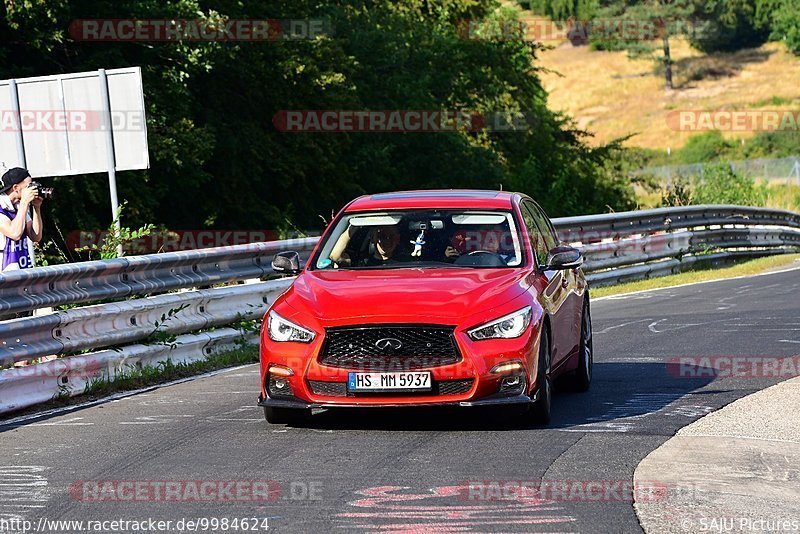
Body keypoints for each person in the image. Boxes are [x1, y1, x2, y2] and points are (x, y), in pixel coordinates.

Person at [0, 167, 43, 271]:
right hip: (3, 271)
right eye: (29, 186)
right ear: (16, 188)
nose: (32, 190)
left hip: (21, 269)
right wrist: (24, 202)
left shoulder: (19, 206)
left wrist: (36, 208)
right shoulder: (2, 206)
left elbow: (35, 236)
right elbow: (15, 233)